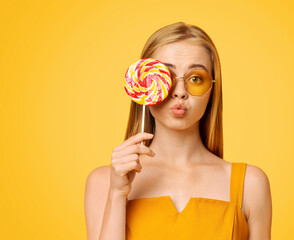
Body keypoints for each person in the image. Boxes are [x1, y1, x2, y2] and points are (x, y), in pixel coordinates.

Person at [84, 22, 272, 240]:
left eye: (195, 78)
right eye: (167, 77)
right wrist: (117, 194)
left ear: (212, 89)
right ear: (144, 84)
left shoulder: (251, 184)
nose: (180, 92)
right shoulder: (104, 182)